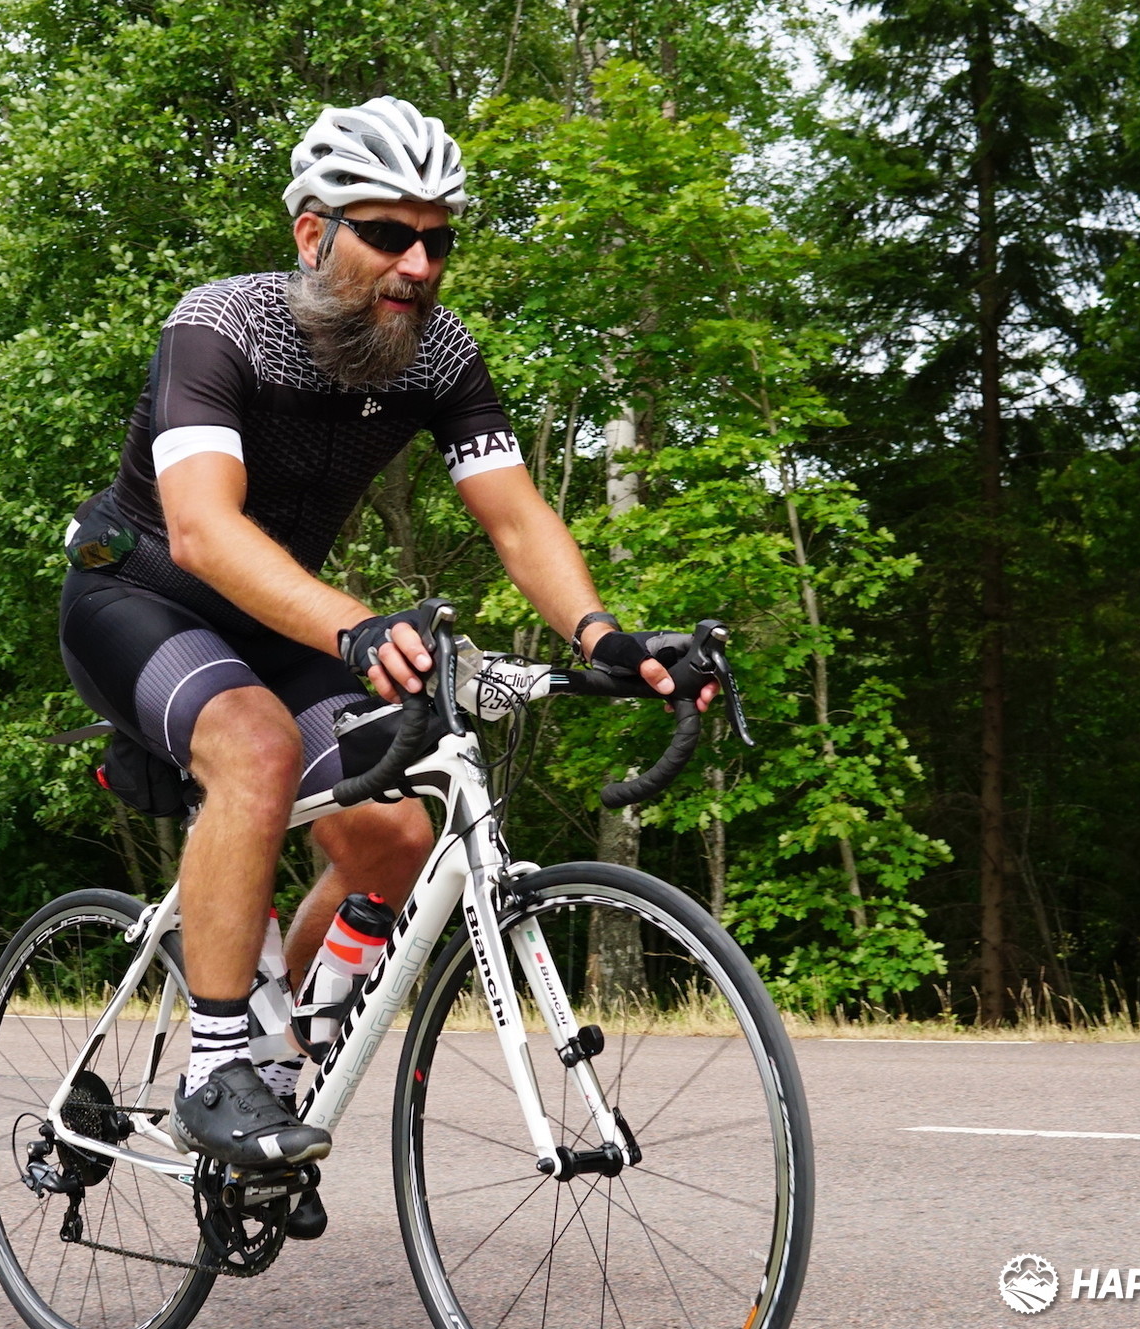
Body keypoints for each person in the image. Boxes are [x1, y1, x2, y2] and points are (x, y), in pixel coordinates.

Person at [57, 96, 699, 1192]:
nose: (418, 264)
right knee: (255, 747)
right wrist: (355, 626)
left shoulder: (437, 356)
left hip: (281, 621)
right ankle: (215, 1066)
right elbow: (204, 529)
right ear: (313, 232)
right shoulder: (221, 326)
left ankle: (281, 1052)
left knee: (397, 837)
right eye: (389, 234)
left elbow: (515, 518)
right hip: (141, 599)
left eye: (437, 241)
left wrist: (598, 633)